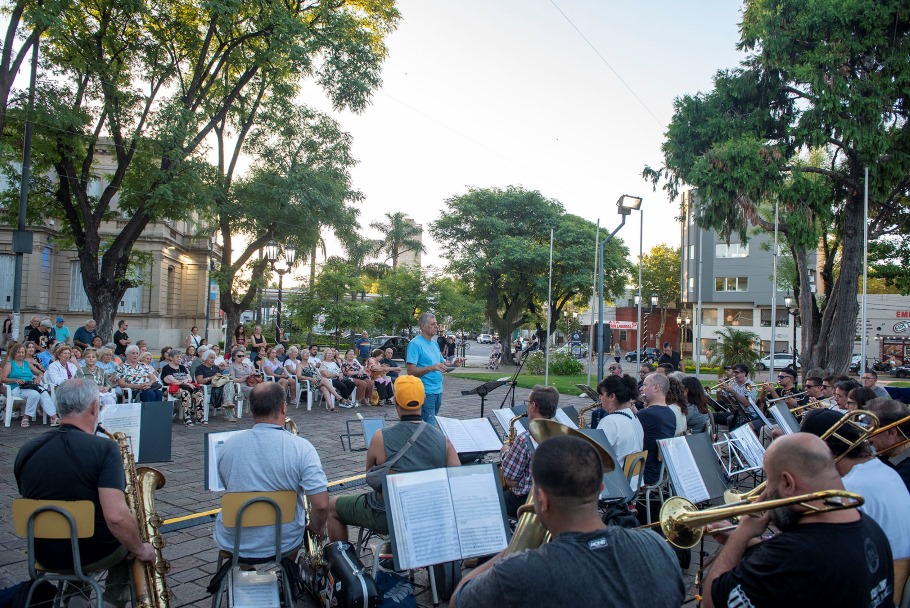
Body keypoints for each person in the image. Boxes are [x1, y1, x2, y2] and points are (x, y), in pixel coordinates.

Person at [451, 435, 685, 608]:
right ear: (600, 488)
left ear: (541, 499)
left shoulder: (518, 572)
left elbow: (459, 600)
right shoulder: (657, 546)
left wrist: (512, 549)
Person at [702, 433, 894, 608]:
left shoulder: (788, 557)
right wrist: (749, 543)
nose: (766, 492)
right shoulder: (871, 526)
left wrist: (740, 535)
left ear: (787, 483)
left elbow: (711, 603)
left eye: (769, 481)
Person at [14, 379, 157, 607]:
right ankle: (111, 602)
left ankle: (75, 598)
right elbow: (116, 517)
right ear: (93, 407)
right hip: (92, 553)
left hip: (42, 554)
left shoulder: (28, 449)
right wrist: (140, 548)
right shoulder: (104, 449)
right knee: (129, 545)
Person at [326, 376, 459, 541]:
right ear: (423, 400)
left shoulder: (380, 437)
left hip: (389, 516)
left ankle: (344, 562)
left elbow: (371, 477)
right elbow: (456, 481)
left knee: (332, 506)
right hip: (428, 516)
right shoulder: (443, 439)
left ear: (396, 401)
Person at [214, 382, 329, 558]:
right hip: (284, 542)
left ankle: (245, 574)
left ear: (251, 409)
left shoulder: (228, 444)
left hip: (234, 542)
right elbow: (321, 505)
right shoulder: (302, 447)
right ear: (284, 407)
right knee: (291, 534)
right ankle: (286, 573)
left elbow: (227, 483)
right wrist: (316, 528)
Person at [801, 408, 910, 565]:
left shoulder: (847, 490)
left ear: (822, 448)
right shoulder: (883, 469)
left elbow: (823, 553)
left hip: (879, 575)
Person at [501, 385, 559, 518]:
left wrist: (505, 452)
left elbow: (511, 481)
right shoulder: (561, 433)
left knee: (494, 499)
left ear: (533, 406)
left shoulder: (524, 438)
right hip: (555, 498)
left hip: (527, 500)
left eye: (528, 403)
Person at [406, 312, 461, 425]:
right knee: (429, 428)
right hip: (426, 392)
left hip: (438, 392)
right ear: (423, 326)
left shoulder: (434, 344)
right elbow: (410, 371)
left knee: (429, 426)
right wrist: (431, 368)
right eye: (433, 324)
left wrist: (455, 364)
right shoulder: (415, 344)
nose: (436, 327)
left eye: (436, 324)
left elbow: (443, 366)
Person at [596, 375, 644, 487]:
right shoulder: (635, 418)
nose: (600, 398)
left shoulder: (610, 421)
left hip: (615, 486)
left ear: (612, 396)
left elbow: (595, 457)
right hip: (633, 483)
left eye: (602, 394)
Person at [1, 341, 58, 427]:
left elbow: (40, 373)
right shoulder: (10, 364)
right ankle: (26, 417)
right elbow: (3, 379)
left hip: (29, 386)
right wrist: (15, 380)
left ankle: (54, 417)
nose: (21, 354)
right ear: (14, 353)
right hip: (16, 387)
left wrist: (38, 378)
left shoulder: (27, 364)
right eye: (18, 352)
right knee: (35, 394)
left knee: (44, 393)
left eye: (22, 352)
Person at [636, 373, 677, 486]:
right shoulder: (670, 413)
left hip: (644, 472)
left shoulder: (647, 414)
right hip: (659, 470)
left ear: (656, 388)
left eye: (644, 385)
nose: (641, 389)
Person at [866, 398, 910, 493]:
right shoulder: (888, 458)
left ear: (891, 432)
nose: (868, 439)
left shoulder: (904, 473)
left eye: (872, 431)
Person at [161, 349, 206, 427]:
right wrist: (185, 382)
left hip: (186, 387)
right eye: (177, 357)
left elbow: (190, 378)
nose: (179, 358)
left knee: (199, 393)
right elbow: (171, 381)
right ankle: (187, 418)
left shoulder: (182, 367)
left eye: (180, 357)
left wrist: (182, 382)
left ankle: (200, 417)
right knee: (185, 393)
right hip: (172, 390)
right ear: (171, 358)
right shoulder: (166, 368)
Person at [196, 348, 235, 421]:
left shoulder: (215, 367)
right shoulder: (200, 368)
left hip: (218, 386)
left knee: (229, 383)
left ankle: (228, 402)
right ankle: (229, 415)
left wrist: (220, 376)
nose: (213, 360)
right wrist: (211, 377)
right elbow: (199, 381)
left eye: (214, 358)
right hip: (206, 387)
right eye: (211, 358)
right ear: (205, 358)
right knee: (227, 392)